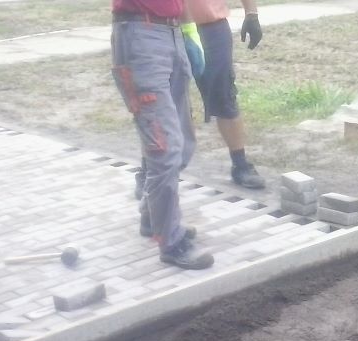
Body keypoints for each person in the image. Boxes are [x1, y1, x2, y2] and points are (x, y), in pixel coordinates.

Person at [111, 0, 215, 270]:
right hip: (139, 36)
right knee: (165, 147)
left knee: (183, 142)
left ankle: (152, 216)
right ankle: (171, 242)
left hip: (173, 32)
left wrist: (188, 31)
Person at [186, 0, 266, 189]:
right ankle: (150, 169)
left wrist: (251, 14)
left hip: (211, 28)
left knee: (224, 96)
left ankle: (240, 165)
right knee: (159, 100)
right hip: (163, 29)